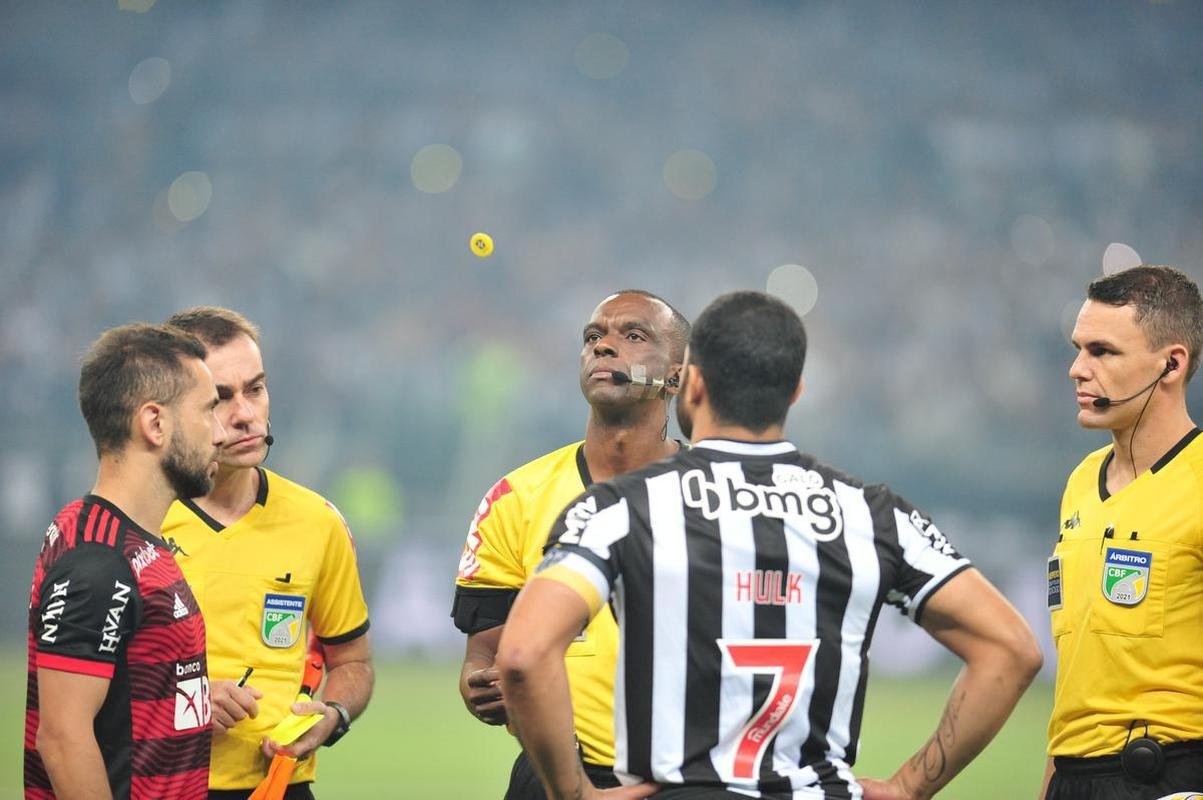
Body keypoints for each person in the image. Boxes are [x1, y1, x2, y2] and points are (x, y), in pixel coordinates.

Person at [498, 290, 1043, 800]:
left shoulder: (621, 508)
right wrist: (908, 788)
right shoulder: (873, 515)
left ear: (693, 385)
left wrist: (574, 793)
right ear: (794, 393)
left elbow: (522, 655)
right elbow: (1012, 650)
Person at [452, 290, 691, 799]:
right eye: (592, 337)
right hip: (553, 775)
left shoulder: (717, 496)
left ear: (676, 375)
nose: (603, 348)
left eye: (633, 336)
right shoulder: (515, 498)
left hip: (689, 777)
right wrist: (480, 685)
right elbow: (485, 651)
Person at [161, 307, 373, 800]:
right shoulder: (138, 524)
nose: (245, 414)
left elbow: (352, 661)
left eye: (255, 389)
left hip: (280, 787)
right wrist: (190, 699)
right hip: (162, 786)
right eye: (220, 398)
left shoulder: (318, 522)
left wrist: (333, 715)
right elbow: (82, 689)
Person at [25, 323, 226, 800]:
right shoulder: (98, 562)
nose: (219, 433)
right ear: (154, 423)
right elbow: (62, 739)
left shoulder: (127, 540)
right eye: (207, 411)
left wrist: (190, 697)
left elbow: (117, 689)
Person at [1043, 265, 1203, 799]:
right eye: (1078, 348)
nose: (1076, 369)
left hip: (1168, 774)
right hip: (1074, 778)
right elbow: (1077, 678)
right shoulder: (1080, 483)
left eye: (1102, 352)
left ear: (1171, 364)